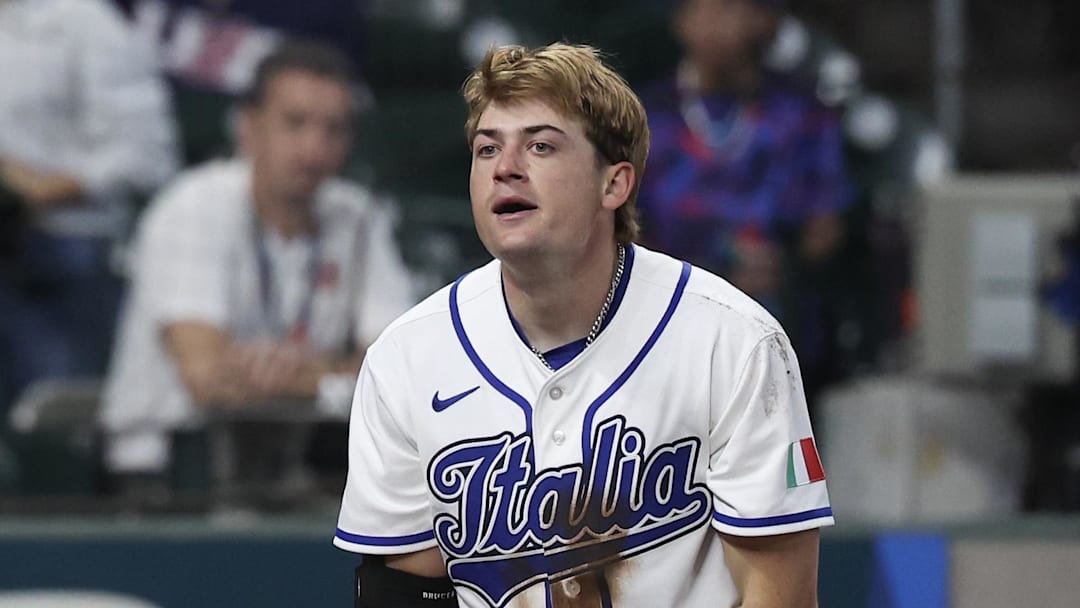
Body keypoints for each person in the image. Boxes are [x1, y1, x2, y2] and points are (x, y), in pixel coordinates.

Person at [334, 43, 832, 608]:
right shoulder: (406, 357)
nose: (505, 168)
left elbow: (782, 595)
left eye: (540, 145)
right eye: (486, 148)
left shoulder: (733, 341)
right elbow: (405, 590)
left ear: (614, 185)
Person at [99, 40, 414, 482]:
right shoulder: (192, 205)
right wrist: (337, 375)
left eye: (334, 129)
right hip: (169, 472)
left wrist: (289, 372)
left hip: (297, 466)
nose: (314, 148)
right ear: (248, 127)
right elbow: (208, 380)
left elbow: (403, 375)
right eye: (295, 123)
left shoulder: (358, 215)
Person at [637, 0, 853, 403]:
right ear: (682, 22)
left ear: (765, 22)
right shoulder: (646, 115)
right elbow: (622, 222)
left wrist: (784, 266)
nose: (717, 25)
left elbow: (827, 226)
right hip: (670, 309)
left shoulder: (803, 113)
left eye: (732, 10)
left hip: (775, 309)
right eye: (705, 10)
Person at [0, 0, 180, 419]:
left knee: (49, 425)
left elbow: (148, 156)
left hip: (63, 245)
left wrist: (41, 187)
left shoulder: (86, 21)